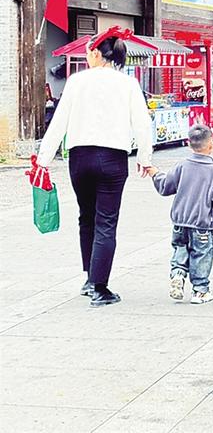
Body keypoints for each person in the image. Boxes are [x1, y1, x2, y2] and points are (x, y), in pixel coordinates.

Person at [36, 27, 153, 307]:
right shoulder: (128, 84)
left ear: (97, 54)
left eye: (89, 52)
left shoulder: (77, 81)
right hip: (112, 159)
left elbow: (59, 122)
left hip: (80, 158)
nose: (87, 56)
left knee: (86, 217)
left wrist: (43, 160)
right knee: (106, 221)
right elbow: (141, 123)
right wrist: (145, 157)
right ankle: (100, 288)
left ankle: (90, 279)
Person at [145, 124, 213, 304]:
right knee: (202, 254)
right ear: (211, 145)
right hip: (202, 224)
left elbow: (166, 186)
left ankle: (178, 274)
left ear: (189, 144)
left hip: (180, 221)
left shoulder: (182, 165)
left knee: (180, 248)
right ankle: (200, 291)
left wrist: (155, 174)